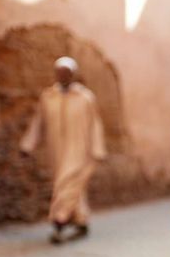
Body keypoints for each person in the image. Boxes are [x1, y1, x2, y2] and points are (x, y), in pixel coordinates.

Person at [20, 57, 107, 244]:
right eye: (59, 72)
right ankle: (81, 220)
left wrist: (98, 149)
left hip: (80, 149)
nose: (63, 75)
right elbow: (38, 123)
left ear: (73, 74)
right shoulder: (48, 97)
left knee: (67, 183)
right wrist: (27, 145)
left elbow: (95, 125)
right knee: (70, 185)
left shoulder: (85, 98)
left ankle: (59, 220)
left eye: (66, 72)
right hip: (56, 149)